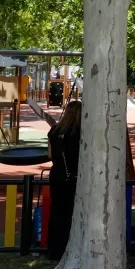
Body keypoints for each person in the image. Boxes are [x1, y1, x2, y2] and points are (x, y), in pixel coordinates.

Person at [47, 100, 82, 260]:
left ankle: (54, 250)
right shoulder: (81, 132)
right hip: (75, 176)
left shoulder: (54, 131)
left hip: (57, 175)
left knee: (57, 212)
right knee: (73, 213)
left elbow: (50, 154)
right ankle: (72, 248)